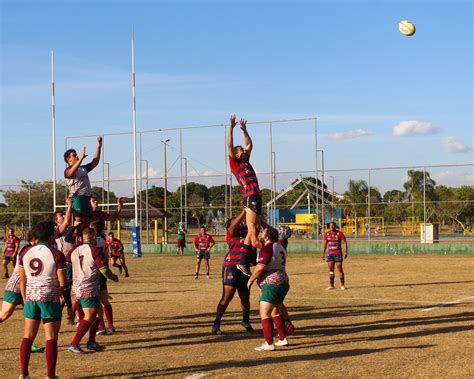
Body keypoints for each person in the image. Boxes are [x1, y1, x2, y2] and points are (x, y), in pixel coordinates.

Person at [18, 220, 70, 379]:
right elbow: (63, 282)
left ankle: (23, 374)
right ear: (50, 236)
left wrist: (25, 298)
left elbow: (22, 279)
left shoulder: (25, 252)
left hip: (31, 296)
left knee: (27, 336)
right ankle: (50, 376)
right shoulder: (56, 254)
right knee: (51, 337)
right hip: (49, 297)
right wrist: (68, 303)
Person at [67, 227, 118, 353]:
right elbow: (104, 270)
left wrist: (70, 283)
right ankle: (74, 344)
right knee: (89, 316)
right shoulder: (95, 250)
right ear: (93, 237)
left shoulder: (74, 251)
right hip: (88, 287)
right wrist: (113, 277)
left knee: (98, 313)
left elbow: (67, 267)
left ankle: (92, 342)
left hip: (79, 285)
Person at [248, 227, 290, 351]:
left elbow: (261, 267)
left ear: (267, 237)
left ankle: (269, 343)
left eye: (262, 232)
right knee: (275, 312)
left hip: (272, 283)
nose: (260, 233)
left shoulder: (267, 247)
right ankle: (282, 338)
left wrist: (251, 279)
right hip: (283, 282)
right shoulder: (280, 246)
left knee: (264, 313)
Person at [228, 114, 264, 254]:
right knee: (252, 227)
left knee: (256, 226)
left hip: (256, 195)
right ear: (236, 154)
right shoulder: (235, 164)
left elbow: (250, 144)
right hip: (249, 196)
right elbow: (230, 145)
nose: (244, 150)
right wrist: (231, 128)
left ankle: (244, 258)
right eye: (241, 150)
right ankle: (263, 248)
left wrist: (244, 130)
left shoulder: (245, 161)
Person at [63, 136, 103, 232]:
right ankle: (75, 240)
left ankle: (84, 242)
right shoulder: (67, 170)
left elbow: (95, 162)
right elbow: (72, 172)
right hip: (77, 199)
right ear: (69, 160)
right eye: (74, 155)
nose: (77, 156)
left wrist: (99, 147)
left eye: (77, 154)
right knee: (79, 222)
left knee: (87, 223)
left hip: (86, 198)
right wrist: (80, 159)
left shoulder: (83, 169)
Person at [321, 221, 348, 290]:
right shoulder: (327, 234)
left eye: (333, 225)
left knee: (340, 269)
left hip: (338, 253)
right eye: (330, 225)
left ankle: (342, 285)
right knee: (331, 270)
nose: (331, 226)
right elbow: (325, 244)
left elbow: (344, 243)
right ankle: (331, 285)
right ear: (329, 226)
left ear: (335, 226)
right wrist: (323, 253)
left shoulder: (340, 233)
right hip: (330, 254)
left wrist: (346, 252)